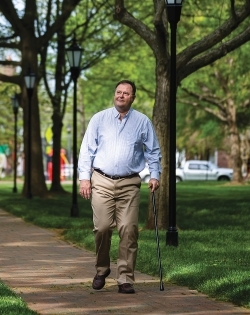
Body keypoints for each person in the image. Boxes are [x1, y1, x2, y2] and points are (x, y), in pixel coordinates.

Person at [78, 80, 161, 294]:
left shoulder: (142, 121)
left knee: (129, 229)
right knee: (102, 228)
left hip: (129, 183)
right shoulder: (99, 119)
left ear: (132, 98)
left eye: (126, 93)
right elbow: (87, 150)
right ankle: (102, 269)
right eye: (118, 92)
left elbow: (153, 151)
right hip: (102, 181)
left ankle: (125, 278)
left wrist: (154, 175)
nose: (121, 96)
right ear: (114, 94)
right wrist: (84, 179)